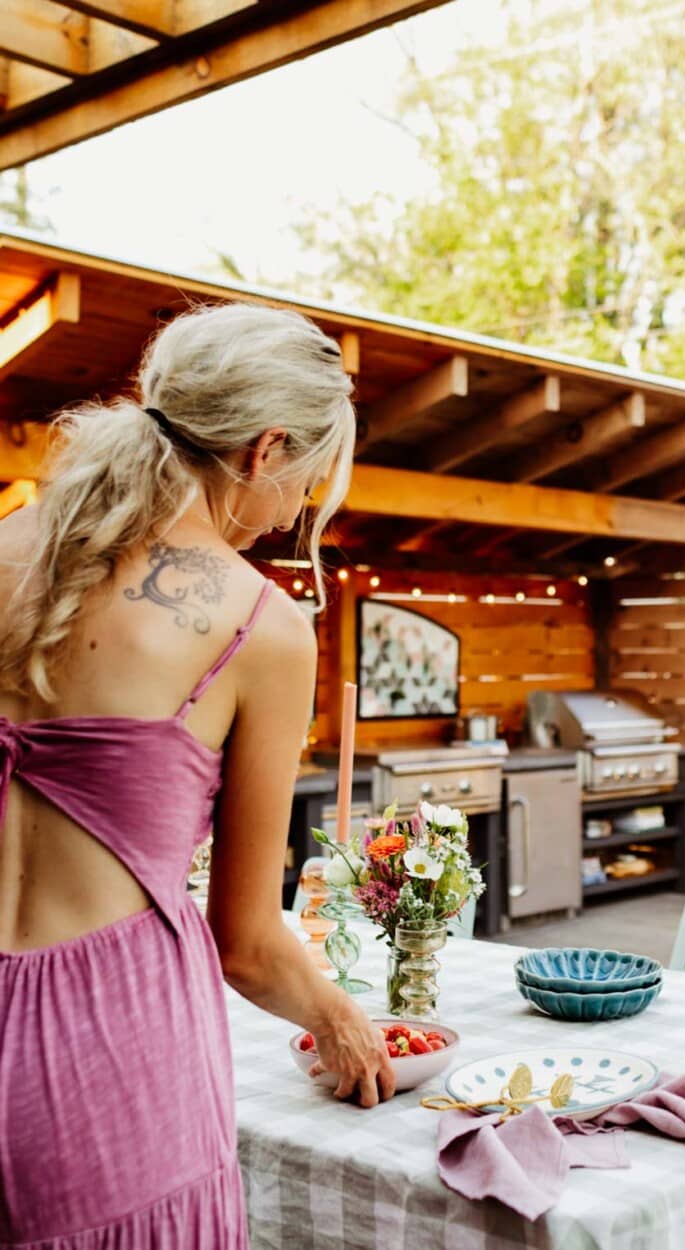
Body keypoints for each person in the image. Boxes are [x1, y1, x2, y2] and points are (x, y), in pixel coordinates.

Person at [0, 302, 395, 1248]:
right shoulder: (260, 626)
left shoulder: (8, 547)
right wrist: (343, 1022)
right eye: (310, 479)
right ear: (266, 451)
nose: (299, 509)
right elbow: (247, 945)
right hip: (108, 1060)